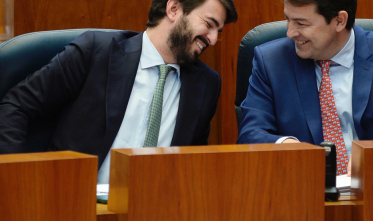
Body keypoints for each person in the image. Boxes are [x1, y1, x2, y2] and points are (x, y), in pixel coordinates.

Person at [0, 0, 238, 183]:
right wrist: (19, 178)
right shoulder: (96, 52)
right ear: (174, 9)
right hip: (73, 204)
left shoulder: (205, 84)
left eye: (219, 31)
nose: (214, 39)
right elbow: (16, 106)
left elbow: (192, 163)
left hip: (156, 214)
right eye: (209, 25)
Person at [237, 0, 373, 175]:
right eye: (288, 20)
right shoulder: (271, 61)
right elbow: (251, 134)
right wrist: (286, 146)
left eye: (301, 23)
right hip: (299, 186)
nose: (290, 32)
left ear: (339, 21)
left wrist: (372, 153)